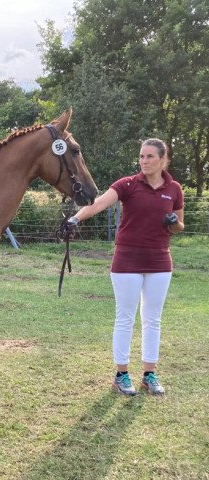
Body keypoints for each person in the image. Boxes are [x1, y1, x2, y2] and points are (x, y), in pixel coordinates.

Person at [66, 138, 184, 396]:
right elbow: (97, 204)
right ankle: (121, 375)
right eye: (141, 156)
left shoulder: (174, 189)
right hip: (127, 261)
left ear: (163, 159)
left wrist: (173, 222)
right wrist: (74, 218)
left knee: (152, 320)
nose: (144, 161)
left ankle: (149, 374)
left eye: (150, 156)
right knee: (125, 318)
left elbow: (179, 227)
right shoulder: (127, 184)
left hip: (160, 261)